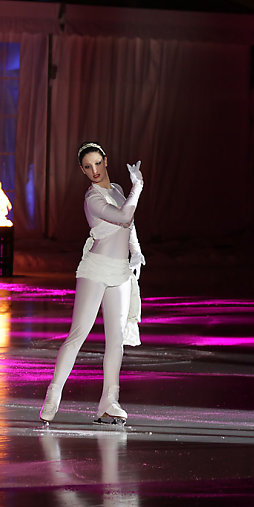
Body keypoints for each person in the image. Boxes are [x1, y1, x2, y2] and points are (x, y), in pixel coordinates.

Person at [40, 142, 145, 425]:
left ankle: (109, 402)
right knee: (78, 335)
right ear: (83, 170)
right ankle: (54, 394)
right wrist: (139, 187)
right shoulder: (92, 198)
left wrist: (135, 251)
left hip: (120, 272)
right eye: (88, 167)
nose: (94, 170)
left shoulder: (118, 190)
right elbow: (125, 216)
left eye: (97, 163)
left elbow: (129, 226)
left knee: (116, 342)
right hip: (96, 269)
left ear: (106, 161)